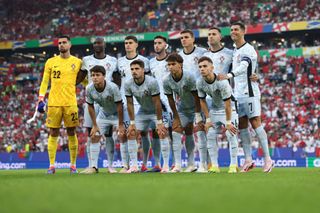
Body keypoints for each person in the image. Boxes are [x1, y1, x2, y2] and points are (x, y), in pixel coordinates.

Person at [217, 22, 274, 173]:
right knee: (242, 126)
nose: (233, 32)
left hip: (250, 93)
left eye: (236, 29)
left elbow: (244, 67)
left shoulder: (248, 49)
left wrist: (228, 76)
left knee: (255, 122)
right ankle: (248, 159)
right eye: (231, 30)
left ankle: (268, 159)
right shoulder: (235, 50)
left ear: (243, 32)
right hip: (238, 93)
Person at [38, 35, 82, 174]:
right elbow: (45, 81)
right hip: (54, 103)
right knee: (53, 132)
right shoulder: (50, 62)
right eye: (59, 43)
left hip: (70, 103)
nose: (61, 45)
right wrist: (40, 98)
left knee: (71, 131)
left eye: (64, 43)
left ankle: (73, 165)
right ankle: (51, 166)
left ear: (70, 45)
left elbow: (85, 81)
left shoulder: (78, 62)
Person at [77, 37, 118, 174]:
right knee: (91, 133)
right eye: (94, 43)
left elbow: (117, 80)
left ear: (104, 44)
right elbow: (80, 77)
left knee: (108, 134)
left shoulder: (112, 61)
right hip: (92, 100)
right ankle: (92, 166)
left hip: (107, 101)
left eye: (99, 42)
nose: (97, 45)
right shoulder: (86, 60)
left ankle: (110, 165)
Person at [124, 59, 170, 173]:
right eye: (132, 69)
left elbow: (157, 102)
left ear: (143, 70)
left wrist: (159, 122)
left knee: (162, 132)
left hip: (158, 110)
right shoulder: (128, 83)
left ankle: (165, 165)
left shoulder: (151, 82)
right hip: (143, 110)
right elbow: (129, 103)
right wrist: (132, 123)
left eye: (137, 69)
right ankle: (134, 166)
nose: (134, 71)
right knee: (131, 132)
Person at [196, 57, 239, 173]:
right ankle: (214, 165)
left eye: (205, 66)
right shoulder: (199, 82)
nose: (202, 69)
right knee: (210, 134)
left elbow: (228, 104)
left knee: (231, 134)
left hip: (230, 109)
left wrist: (228, 123)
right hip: (214, 110)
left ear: (212, 68)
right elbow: (202, 101)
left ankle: (233, 165)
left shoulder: (222, 82)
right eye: (200, 67)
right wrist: (208, 119)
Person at [163, 53, 203, 172]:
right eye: (168, 65)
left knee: (195, 133)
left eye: (173, 64)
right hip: (182, 109)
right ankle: (178, 166)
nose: (170, 67)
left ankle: (194, 164)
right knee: (176, 133)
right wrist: (176, 117)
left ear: (180, 65)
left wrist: (197, 114)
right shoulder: (166, 80)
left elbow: (197, 97)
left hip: (197, 108)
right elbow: (170, 99)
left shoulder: (189, 77)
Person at [117, 35, 150, 172]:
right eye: (125, 43)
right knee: (125, 133)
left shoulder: (145, 61)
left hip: (141, 102)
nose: (128, 45)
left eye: (130, 43)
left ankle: (144, 163)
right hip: (125, 101)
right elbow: (117, 79)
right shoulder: (119, 62)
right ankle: (127, 165)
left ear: (136, 44)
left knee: (143, 134)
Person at [85, 65, 125, 174]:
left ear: (104, 76)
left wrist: (120, 124)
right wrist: (94, 125)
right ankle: (93, 167)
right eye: (93, 75)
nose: (95, 77)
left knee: (123, 135)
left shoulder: (113, 87)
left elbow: (119, 106)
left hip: (117, 114)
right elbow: (90, 106)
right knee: (94, 135)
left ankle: (120, 166)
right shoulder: (89, 88)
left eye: (97, 75)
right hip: (104, 114)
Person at [149, 35, 172, 172]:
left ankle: (175, 164)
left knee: (173, 132)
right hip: (156, 101)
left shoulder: (172, 60)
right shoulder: (150, 62)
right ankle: (159, 164)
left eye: (159, 43)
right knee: (157, 132)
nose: (156, 45)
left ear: (165, 45)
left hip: (171, 100)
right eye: (155, 43)